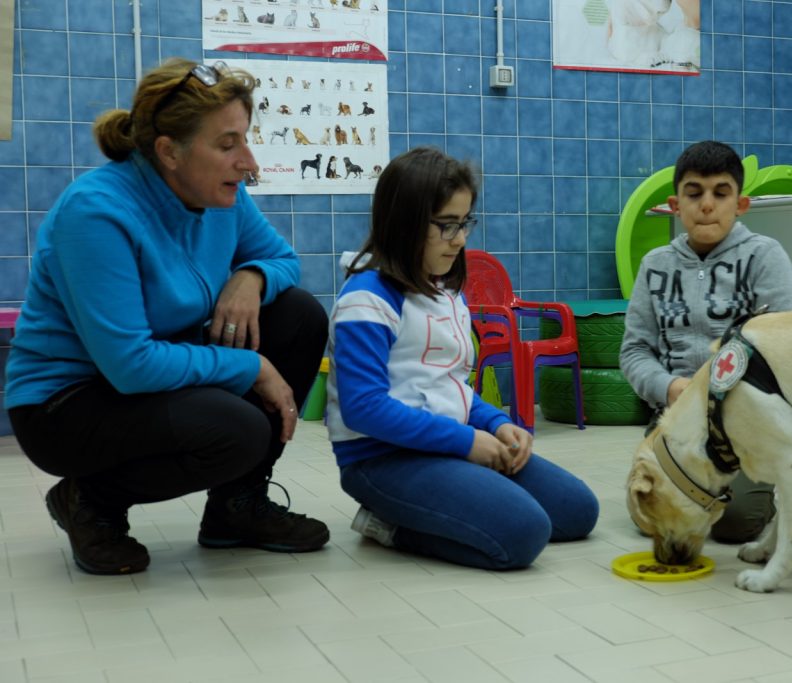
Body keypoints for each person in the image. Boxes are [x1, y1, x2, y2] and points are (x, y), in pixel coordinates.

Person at [3, 58, 330, 575]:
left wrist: (253, 278)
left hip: (145, 381)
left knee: (298, 315)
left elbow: (285, 260)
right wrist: (251, 367)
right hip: (66, 404)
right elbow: (130, 364)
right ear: (168, 151)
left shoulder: (226, 198)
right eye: (227, 145)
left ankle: (235, 510)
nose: (248, 161)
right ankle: (91, 502)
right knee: (236, 429)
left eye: (246, 139)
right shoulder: (96, 213)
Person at [326, 147, 599, 570]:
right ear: (405, 223)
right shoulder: (367, 298)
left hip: (442, 443)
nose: (460, 239)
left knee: (578, 511)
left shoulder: (443, 291)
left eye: (465, 223)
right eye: (446, 226)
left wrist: (498, 423)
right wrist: (467, 442)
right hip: (381, 460)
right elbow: (364, 410)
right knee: (523, 534)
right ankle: (388, 524)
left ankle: (459, 497)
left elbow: (448, 386)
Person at [620, 140, 792, 543]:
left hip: (748, 423)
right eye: (694, 193)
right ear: (675, 204)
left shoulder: (765, 257)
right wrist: (671, 388)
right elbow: (634, 351)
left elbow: (785, 348)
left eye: (721, 193)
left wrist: (727, 399)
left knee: (736, 523)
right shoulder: (655, 267)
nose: (707, 205)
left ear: (741, 204)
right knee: (648, 513)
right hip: (675, 418)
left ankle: (770, 484)